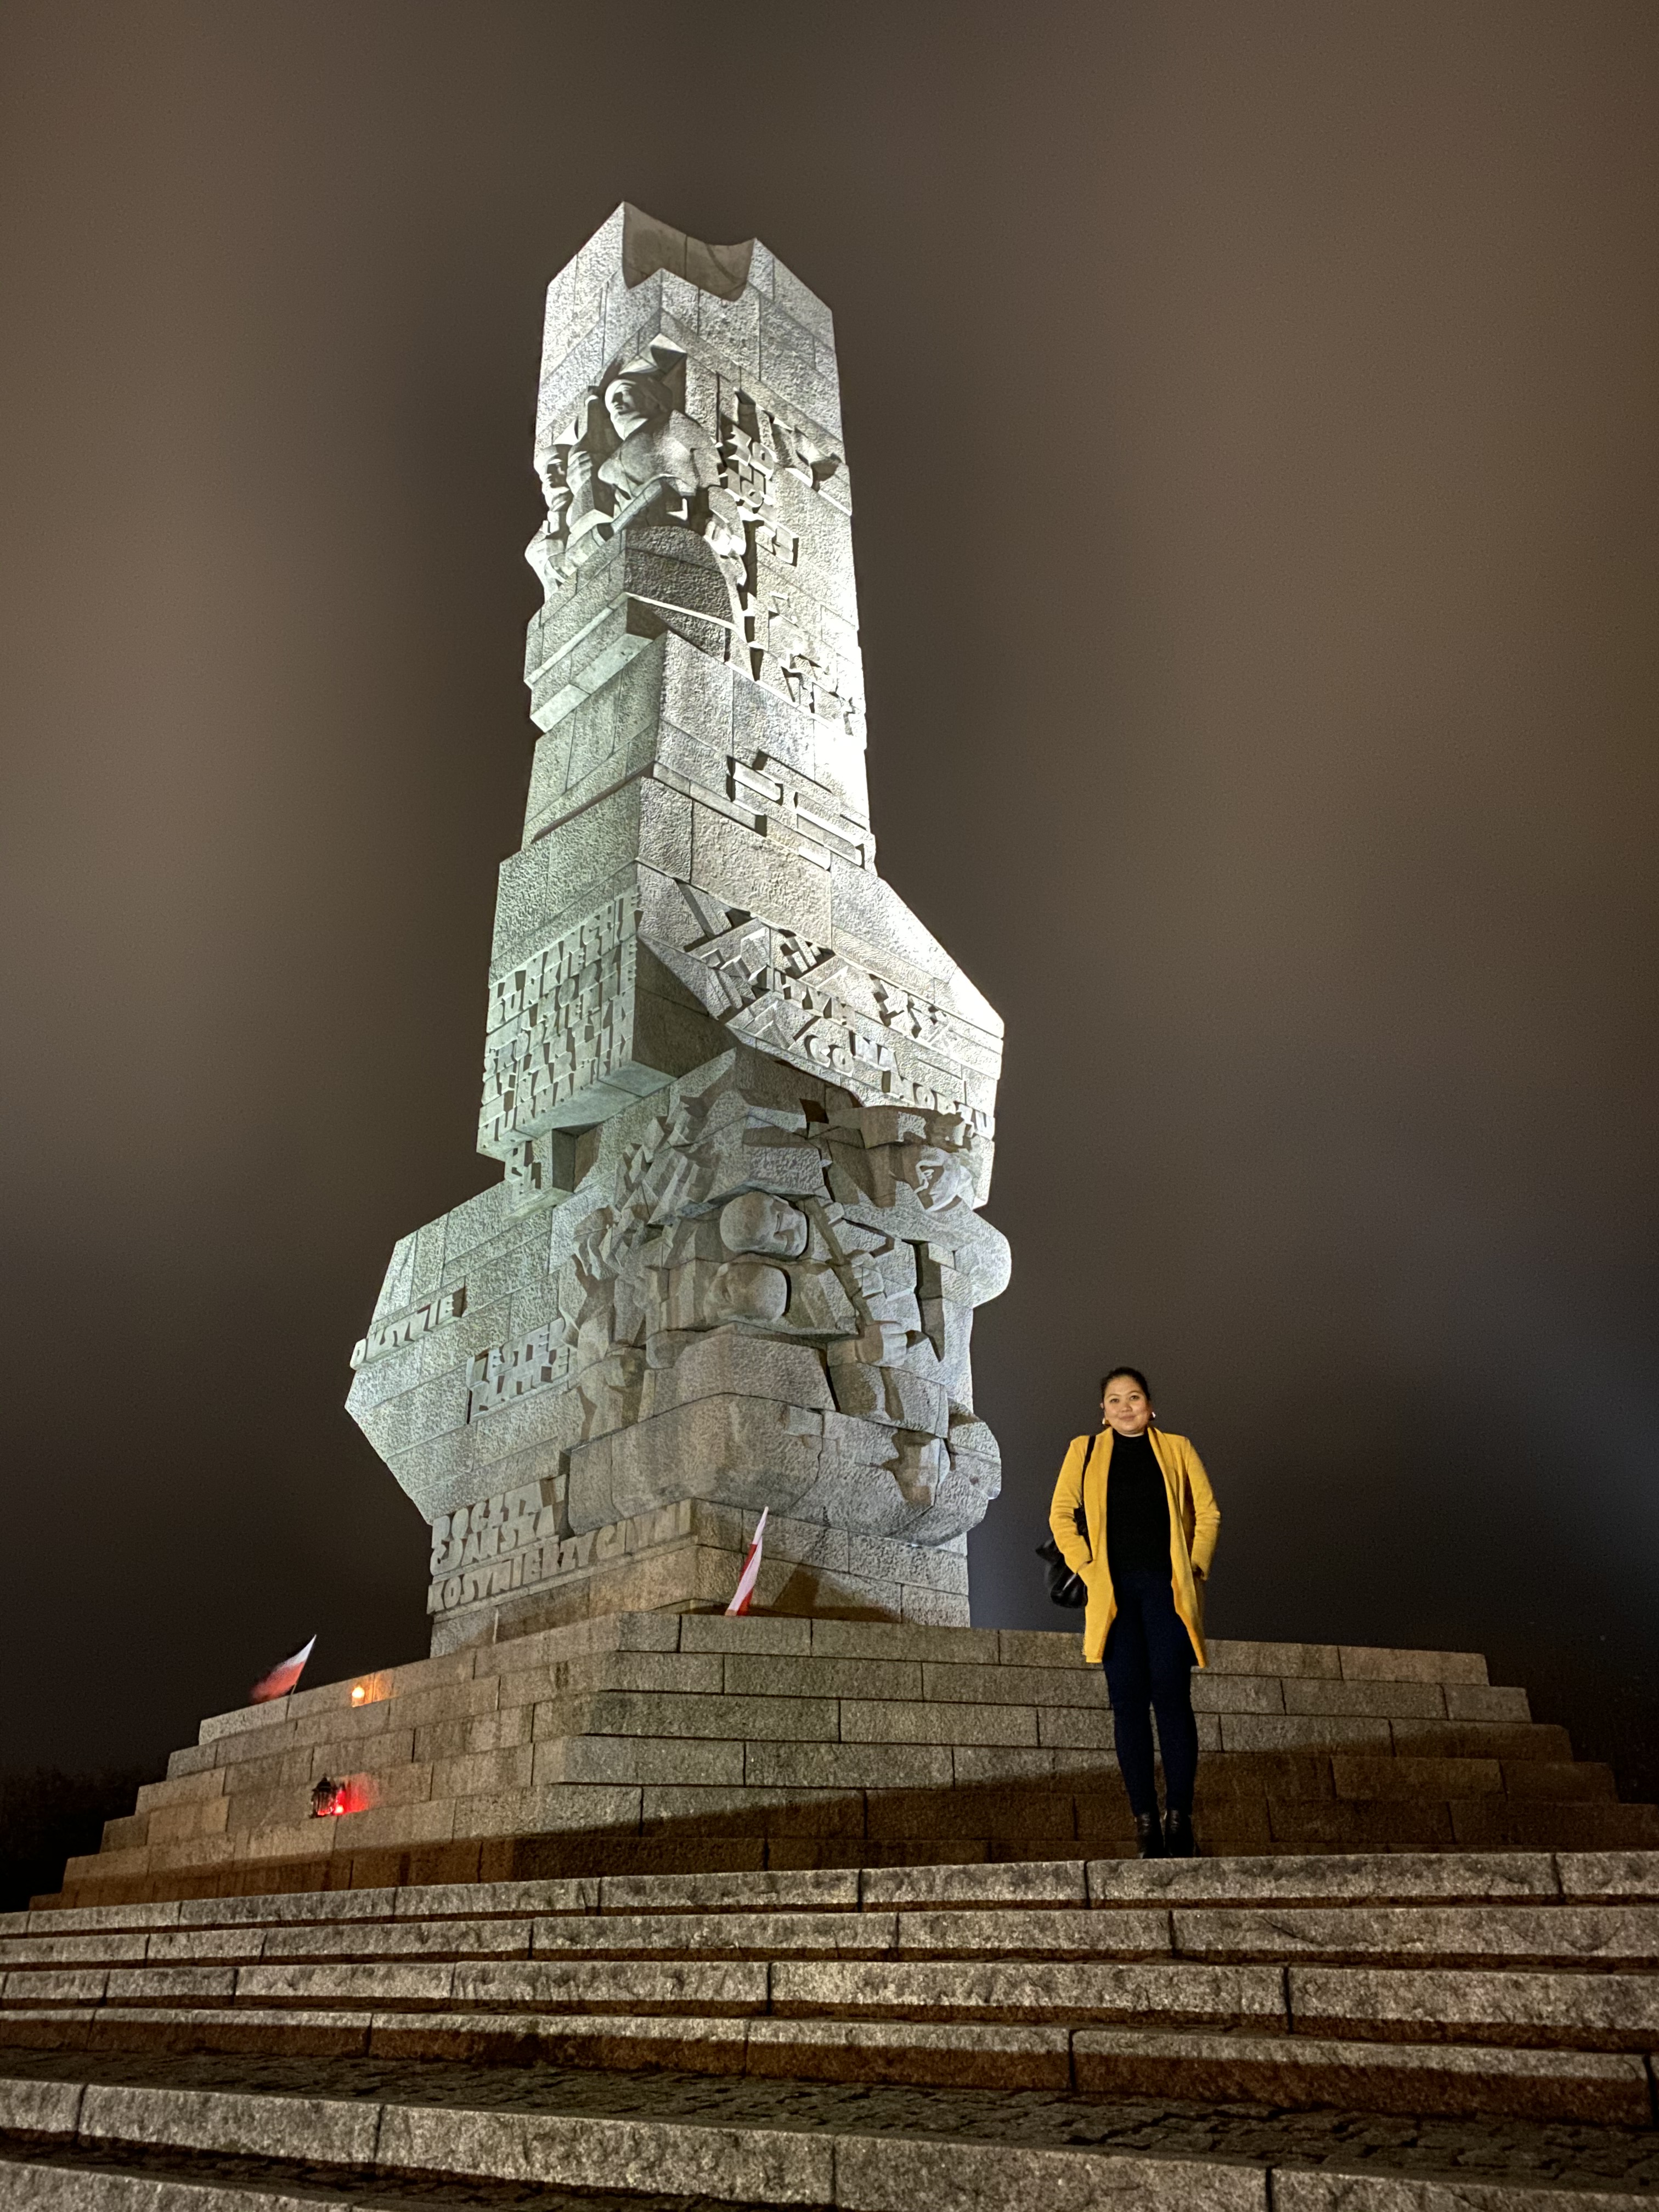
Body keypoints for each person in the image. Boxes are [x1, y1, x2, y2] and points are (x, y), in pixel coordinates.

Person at [1048, 1368, 1220, 1858]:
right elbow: (1061, 1514)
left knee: (1172, 1699)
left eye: (1134, 1397)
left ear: (1150, 1406)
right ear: (1103, 1411)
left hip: (1168, 1593)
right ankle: (1145, 1821)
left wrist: (1194, 1565)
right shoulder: (1084, 1451)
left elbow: (1208, 1513)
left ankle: (1179, 1818)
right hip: (1114, 1596)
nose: (1125, 1407)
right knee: (1127, 1705)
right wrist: (1086, 1566)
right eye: (1115, 1400)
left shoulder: (1178, 1449)